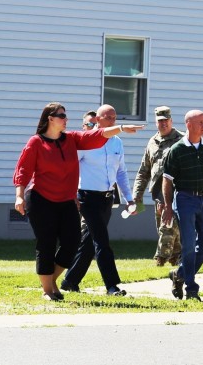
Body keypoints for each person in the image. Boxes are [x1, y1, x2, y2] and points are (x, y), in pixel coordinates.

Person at [13, 102, 143, 301]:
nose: (66, 119)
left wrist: (122, 128)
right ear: (50, 118)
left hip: (67, 201)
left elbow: (94, 137)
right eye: (62, 116)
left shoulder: (72, 140)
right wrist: (19, 195)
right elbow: (23, 170)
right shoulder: (36, 142)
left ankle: (57, 280)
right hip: (42, 199)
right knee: (47, 243)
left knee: (73, 243)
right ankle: (49, 290)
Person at [61, 104, 136, 296]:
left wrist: (129, 198)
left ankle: (70, 281)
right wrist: (70, 195)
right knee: (101, 241)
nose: (113, 121)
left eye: (114, 117)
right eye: (108, 117)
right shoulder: (85, 142)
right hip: (87, 197)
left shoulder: (117, 142)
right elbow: (70, 170)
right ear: (98, 120)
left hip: (107, 198)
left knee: (89, 242)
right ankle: (112, 286)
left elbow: (121, 172)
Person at [162, 110, 203, 301]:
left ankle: (179, 275)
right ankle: (192, 289)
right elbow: (167, 180)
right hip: (185, 199)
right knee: (189, 246)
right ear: (189, 125)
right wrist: (168, 206)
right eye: (200, 122)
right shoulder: (177, 150)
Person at [132, 106, 184, 266]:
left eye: (166, 121)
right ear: (156, 123)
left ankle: (159, 260)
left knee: (167, 228)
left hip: (178, 193)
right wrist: (137, 196)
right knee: (168, 230)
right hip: (158, 195)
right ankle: (178, 259)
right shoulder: (152, 142)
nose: (163, 124)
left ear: (171, 121)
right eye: (160, 121)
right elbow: (144, 171)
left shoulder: (182, 139)